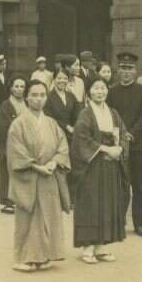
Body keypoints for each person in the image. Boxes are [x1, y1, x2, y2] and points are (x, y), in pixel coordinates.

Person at [7, 80, 70, 272]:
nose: (38, 99)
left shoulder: (51, 123)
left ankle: (43, 256)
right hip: (30, 177)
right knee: (28, 218)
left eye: (42, 95)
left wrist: (54, 162)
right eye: (34, 95)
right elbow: (16, 152)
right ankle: (23, 258)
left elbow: (62, 145)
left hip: (49, 175)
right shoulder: (18, 124)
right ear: (26, 97)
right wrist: (36, 167)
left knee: (48, 217)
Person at [71, 77, 129, 264]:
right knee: (91, 203)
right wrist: (105, 149)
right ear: (88, 92)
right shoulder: (85, 114)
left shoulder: (113, 113)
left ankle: (101, 246)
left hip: (111, 165)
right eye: (96, 88)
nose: (100, 92)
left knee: (108, 203)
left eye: (103, 88)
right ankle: (87, 247)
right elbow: (81, 138)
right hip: (93, 167)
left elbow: (123, 134)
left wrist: (120, 148)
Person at [107, 52, 142, 236]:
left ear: (135, 71)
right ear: (118, 70)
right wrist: (118, 137)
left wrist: (131, 134)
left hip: (138, 145)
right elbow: (108, 115)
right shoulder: (111, 91)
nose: (126, 72)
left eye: (130, 68)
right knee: (120, 186)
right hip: (118, 146)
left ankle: (139, 223)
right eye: (123, 68)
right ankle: (119, 222)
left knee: (140, 186)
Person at [44, 68, 81, 205]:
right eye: (59, 78)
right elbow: (48, 116)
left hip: (71, 136)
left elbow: (78, 111)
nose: (62, 81)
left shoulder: (70, 95)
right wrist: (66, 126)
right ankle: (57, 198)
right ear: (54, 79)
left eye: (65, 78)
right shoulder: (49, 97)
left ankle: (70, 197)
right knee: (58, 166)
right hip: (55, 135)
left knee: (71, 165)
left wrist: (76, 125)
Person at [0, 76, 27, 214]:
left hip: (27, 143)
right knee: (9, 171)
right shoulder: (6, 105)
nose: (19, 89)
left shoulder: (27, 103)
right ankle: (8, 201)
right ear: (11, 88)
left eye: (22, 86)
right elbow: (3, 127)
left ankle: (22, 200)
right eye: (16, 86)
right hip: (11, 143)